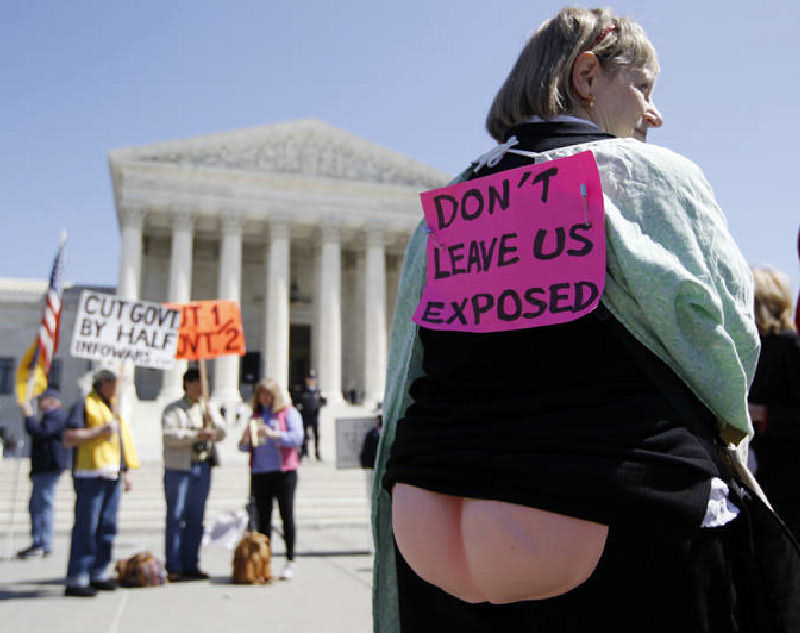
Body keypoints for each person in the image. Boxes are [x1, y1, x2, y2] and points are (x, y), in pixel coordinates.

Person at [373, 7, 766, 632]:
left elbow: (405, 368)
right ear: (587, 75)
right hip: (603, 514)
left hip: (427, 522)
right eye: (644, 86)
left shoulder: (448, 204)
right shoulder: (650, 176)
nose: (654, 113)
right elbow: (726, 344)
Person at [63, 369, 139, 597]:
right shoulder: (84, 405)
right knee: (87, 527)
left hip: (112, 473)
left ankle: (99, 572)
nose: (118, 387)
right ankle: (77, 577)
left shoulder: (114, 408)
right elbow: (69, 438)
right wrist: (99, 431)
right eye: (114, 383)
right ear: (102, 384)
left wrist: (126, 470)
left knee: (107, 526)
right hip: (90, 474)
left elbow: (120, 442)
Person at [748, 268, 800, 539]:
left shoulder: (790, 347)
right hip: (763, 481)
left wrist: (762, 414)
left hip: (791, 487)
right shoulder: (752, 349)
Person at [161, 367, 226, 581]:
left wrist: (212, 420)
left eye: (203, 384)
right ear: (187, 385)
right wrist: (196, 435)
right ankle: (174, 565)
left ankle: (191, 563)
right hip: (180, 468)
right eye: (197, 384)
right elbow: (170, 436)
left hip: (202, 466)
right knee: (176, 517)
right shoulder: (174, 409)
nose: (200, 388)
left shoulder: (208, 407)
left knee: (196, 518)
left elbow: (223, 432)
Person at [239, 377, 303, 580]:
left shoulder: (288, 413)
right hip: (260, 473)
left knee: (287, 515)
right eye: (261, 395)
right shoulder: (255, 417)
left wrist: (275, 435)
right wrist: (246, 438)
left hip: (284, 472)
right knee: (263, 518)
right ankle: (264, 561)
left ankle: (290, 559)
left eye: (268, 395)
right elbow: (242, 447)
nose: (265, 399)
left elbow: (297, 438)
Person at [17, 388, 69, 559]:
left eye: (43, 400)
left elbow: (40, 432)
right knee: (36, 506)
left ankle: (42, 543)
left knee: (42, 505)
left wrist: (29, 416)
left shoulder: (56, 417)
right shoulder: (49, 417)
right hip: (42, 468)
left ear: (53, 402)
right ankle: (39, 541)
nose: (40, 404)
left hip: (49, 468)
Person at [296, 370, 326, 461]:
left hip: (314, 416)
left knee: (316, 434)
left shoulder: (318, 391)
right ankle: (304, 452)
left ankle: (317, 452)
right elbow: (298, 402)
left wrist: (319, 407)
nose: (311, 381)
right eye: (309, 379)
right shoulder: (302, 391)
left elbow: (323, 401)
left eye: (313, 379)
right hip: (305, 416)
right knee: (304, 435)